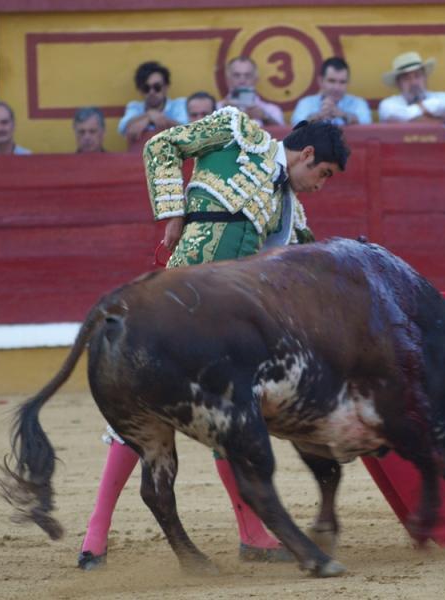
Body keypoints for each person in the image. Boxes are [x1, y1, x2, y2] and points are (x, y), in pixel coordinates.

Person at [77, 106, 349, 570]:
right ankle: (94, 537)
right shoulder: (235, 129)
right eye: (323, 174)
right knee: (139, 411)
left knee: (229, 414)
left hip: (227, 326)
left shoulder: (292, 213)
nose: (321, 186)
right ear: (306, 155)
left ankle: (253, 534)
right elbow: (160, 146)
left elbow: (308, 272)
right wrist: (172, 212)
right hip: (179, 301)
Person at [377, 51, 445, 132]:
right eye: (406, 78)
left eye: (417, 76)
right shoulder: (388, 104)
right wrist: (435, 120)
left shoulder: (444, 98)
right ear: (398, 84)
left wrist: (405, 119)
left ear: (425, 78)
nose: (413, 82)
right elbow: (391, 114)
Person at [118, 61, 188, 145]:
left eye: (157, 87)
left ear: (166, 87)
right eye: (146, 88)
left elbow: (187, 131)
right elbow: (123, 129)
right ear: (140, 90)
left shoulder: (179, 104)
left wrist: (152, 118)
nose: (152, 92)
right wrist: (150, 115)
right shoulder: (135, 107)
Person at [291, 57, 371, 126]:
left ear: (348, 83)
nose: (336, 87)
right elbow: (296, 126)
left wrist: (343, 115)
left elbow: (366, 124)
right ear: (321, 81)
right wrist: (319, 116)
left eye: (342, 82)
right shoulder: (306, 103)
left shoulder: (358, 103)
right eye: (332, 81)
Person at [218, 57, 284, 127]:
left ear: (256, 79)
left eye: (247, 75)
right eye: (236, 75)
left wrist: (265, 118)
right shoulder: (217, 108)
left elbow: (282, 134)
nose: (242, 80)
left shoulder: (272, 111)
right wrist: (223, 114)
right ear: (228, 79)